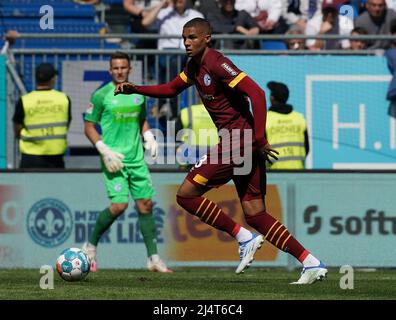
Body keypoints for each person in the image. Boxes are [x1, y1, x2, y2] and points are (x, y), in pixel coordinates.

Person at [115, 18, 327, 284]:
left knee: (186, 195)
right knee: (256, 214)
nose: (186, 43)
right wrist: (136, 89)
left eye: (192, 37)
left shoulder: (217, 62)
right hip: (239, 142)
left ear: (207, 38)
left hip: (237, 141)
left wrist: (260, 138)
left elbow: (257, 94)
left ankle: (243, 236)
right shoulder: (194, 66)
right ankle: (310, 262)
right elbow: (170, 89)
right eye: (184, 38)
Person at [82, 52, 172, 273]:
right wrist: (103, 150)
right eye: (116, 68)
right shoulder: (101, 95)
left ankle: (153, 258)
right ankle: (90, 247)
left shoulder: (138, 95)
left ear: (130, 69)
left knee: (145, 205)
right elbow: (88, 127)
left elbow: (142, 120)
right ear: (110, 70)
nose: (120, 71)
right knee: (119, 206)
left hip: (136, 159)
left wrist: (148, 136)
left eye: (123, 67)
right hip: (115, 160)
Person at [12, 63, 71, 169]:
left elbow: (17, 129)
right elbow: (66, 124)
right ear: (53, 79)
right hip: (55, 157)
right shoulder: (63, 99)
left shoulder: (25, 100)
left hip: (30, 156)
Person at [265, 81, 309, 169]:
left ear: (272, 97)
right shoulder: (299, 118)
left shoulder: (266, 119)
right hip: (299, 172)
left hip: (274, 174)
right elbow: (306, 148)